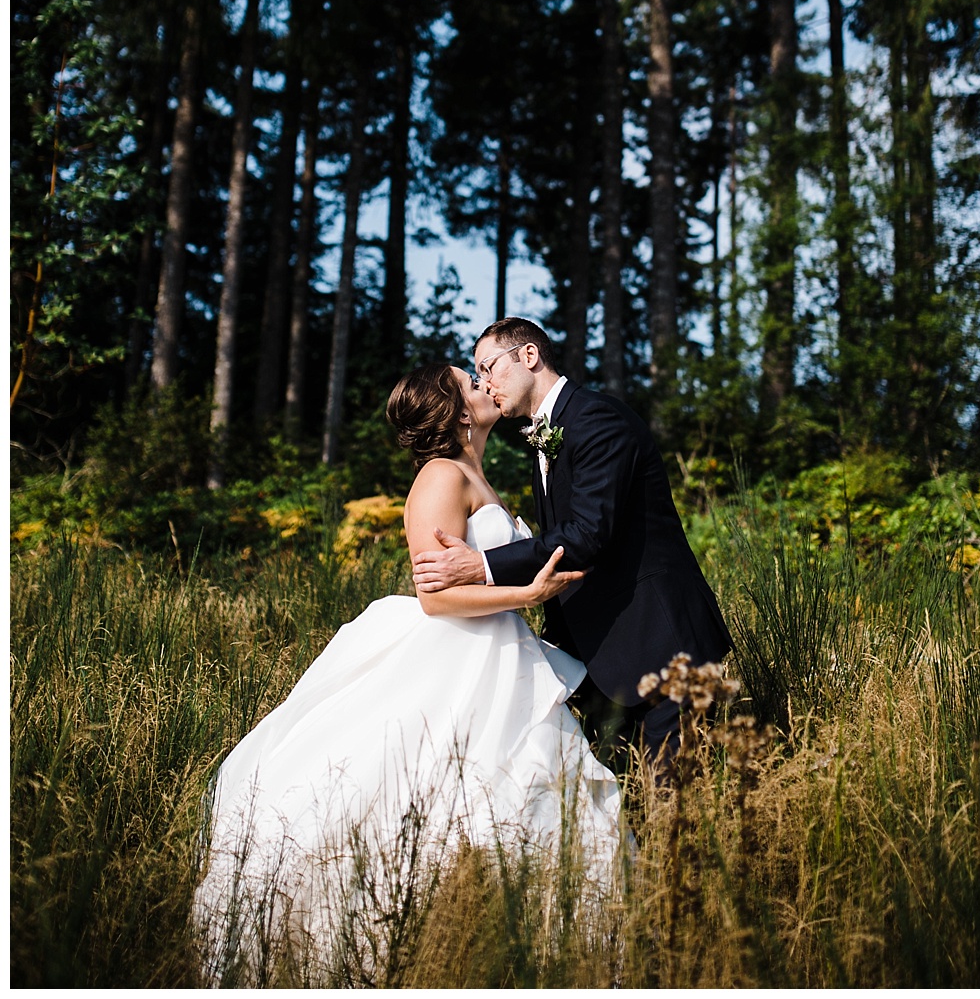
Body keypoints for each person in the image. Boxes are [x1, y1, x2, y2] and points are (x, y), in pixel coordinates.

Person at [192, 362, 623, 983]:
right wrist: (529, 595)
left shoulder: (477, 471)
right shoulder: (440, 477)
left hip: (500, 651)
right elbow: (436, 598)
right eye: (469, 383)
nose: (484, 386)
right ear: (452, 410)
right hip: (459, 653)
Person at [412, 318, 734, 766]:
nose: (485, 383)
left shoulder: (597, 420)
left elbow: (586, 535)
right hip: (601, 660)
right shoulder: (542, 443)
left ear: (528, 356)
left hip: (660, 644)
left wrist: (481, 567)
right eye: (476, 376)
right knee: (625, 808)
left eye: (487, 367)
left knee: (675, 807)